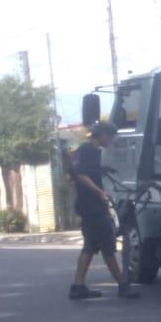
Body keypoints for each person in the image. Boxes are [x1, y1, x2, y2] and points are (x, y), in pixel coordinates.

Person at [69, 122, 139, 300]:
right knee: (108, 245)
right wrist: (100, 192)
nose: (111, 140)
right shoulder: (88, 151)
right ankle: (123, 285)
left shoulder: (87, 151)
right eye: (111, 136)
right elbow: (81, 175)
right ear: (102, 135)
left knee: (90, 246)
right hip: (93, 207)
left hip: (87, 206)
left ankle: (77, 287)